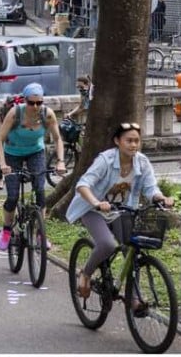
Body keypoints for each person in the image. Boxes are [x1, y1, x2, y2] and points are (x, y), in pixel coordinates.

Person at [66, 122, 174, 299]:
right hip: (92, 210)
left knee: (132, 249)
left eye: (136, 141)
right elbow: (83, 185)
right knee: (108, 244)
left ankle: (133, 299)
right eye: (128, 140)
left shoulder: (142, 162)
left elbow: (150, 188)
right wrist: (96, 202)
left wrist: (161, 198)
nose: (133, 145)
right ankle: (85, 273)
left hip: (123, 210)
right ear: (117, 141)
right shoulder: (105, 160)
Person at [0, 82, 66, 251]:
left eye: (39, 103)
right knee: (12, 196)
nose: (35, 106)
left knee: (40, 191)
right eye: (31, 102)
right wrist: (3, 164)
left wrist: (61, 161)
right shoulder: (15, 113)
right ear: (24, 101)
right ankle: (6, 231)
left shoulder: (47, 115)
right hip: (12, 153)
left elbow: (57, 139)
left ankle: (41, 234)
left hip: (35, 151)